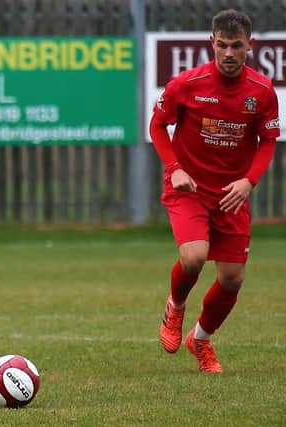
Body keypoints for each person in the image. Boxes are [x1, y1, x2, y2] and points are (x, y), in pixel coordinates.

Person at [150, 9, 280, 373]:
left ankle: (201, 340)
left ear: (249, 46)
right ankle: (175, 307)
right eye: (221, 45)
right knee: (193, 257)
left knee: (232, 279)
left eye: (236, 46)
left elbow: (269, 140)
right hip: (188, 187)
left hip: (231, 195)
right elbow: (158, 125)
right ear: (212, 43)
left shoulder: (261, 91)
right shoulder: (187, 85)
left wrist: (248, 181)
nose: (228, 53)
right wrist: (174, 168)